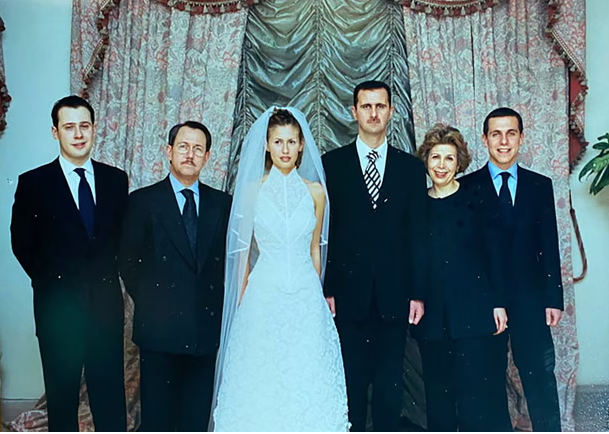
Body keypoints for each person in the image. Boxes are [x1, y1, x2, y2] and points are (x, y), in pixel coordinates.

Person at [211, 107, 349, 431]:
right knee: (263, 372)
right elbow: (243, 254)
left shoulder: (316, 192)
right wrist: (242, 299)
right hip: (263, 295)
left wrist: (316, 294)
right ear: (267, 145)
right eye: (278, 141)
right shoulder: (251, 191)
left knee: (305, 372)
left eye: (291, 141)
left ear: (301, 145)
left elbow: (314, 248)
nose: (284, 149)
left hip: (305, 295)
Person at [10, 95, 128, 431]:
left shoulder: (115, 180)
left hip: (106, 309)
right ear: (55, 132)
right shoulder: (33, 183)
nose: (78, 134)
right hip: (58, 312)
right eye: (69, 127)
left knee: (109, 400)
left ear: (94, 129)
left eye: (84, 126)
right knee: (62, 402)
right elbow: (23, 245)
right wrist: (57, 286)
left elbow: (122, 241)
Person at [322, 80, 427, 431]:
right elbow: (325, 233)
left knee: (389, 387)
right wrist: (327, 288)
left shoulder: (410, 168)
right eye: (366, 106)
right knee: (349, 384)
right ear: (354, 112)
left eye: (380, 106)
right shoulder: (331, 165)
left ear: (391, 111)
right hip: (347, 296)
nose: (373, 113)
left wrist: (417, 294)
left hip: (394, 296)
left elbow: (417, 235)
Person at [119, 121, 232, 432]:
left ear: (207, 157)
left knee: (195, 419)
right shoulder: (142, 201)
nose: (189, 154)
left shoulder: (222, 203)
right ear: (169, 151)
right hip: (159, 329)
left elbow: (228, 265)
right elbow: (128, 262)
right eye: (183, 147)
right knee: (158, 419)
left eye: (197, 149)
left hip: (204, 331)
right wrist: (155, 302)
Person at [460, 107, 564, 431]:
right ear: (484, 139)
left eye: (510, 134)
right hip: (484, 301)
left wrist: (553, 299)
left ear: (521, 138)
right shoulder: (466, 188)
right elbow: (465, 254)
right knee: (487, 382)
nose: (503, 141)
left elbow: (549, 245)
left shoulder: (539, 186)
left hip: (530, 300)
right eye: (496, 134)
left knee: (540, 380)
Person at [414, 123, 512, 431]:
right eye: (435, 157)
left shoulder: (478, 199)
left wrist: (498, 303)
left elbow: (495, 256)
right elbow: (413, 261)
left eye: (449, 158)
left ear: (459, 163)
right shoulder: (416, 205)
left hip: (475, 315)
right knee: (439, 398)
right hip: (433, 318)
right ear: (426, 160)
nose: (441, 165)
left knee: (475, 399)